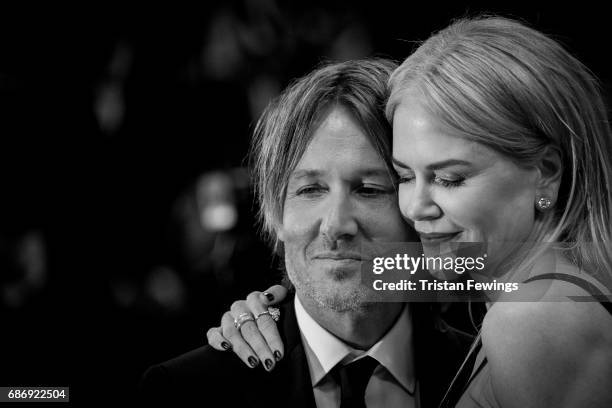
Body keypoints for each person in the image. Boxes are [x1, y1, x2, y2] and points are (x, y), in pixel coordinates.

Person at [207, 16, 612, 407]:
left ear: (546, 174)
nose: (415, 207)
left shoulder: (532, 321)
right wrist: (288, 306)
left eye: (450, 179)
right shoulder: (519, 295)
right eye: (403, 176)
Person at [139, 59, 471, 407]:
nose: (336, 225)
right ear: (276, 214)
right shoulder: (183, 392)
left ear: (417, 209)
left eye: (370, 189)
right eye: (311, 189)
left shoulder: (487, 372)